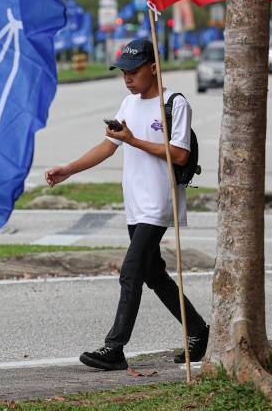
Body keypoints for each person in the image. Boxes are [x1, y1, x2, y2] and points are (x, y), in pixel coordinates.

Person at [44, 38, 209, 371]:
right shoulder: (128, 104)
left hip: (159, 202)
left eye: (134, 71)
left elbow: (179, 154)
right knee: (154, 274)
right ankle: (199, 331)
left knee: (130, 271)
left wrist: (133, 139)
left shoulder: (175, 103)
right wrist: (68, 170)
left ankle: (114, 347)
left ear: (154, 67)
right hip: (134, 202)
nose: (128, 78)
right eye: (123, 72)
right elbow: (107, 147)